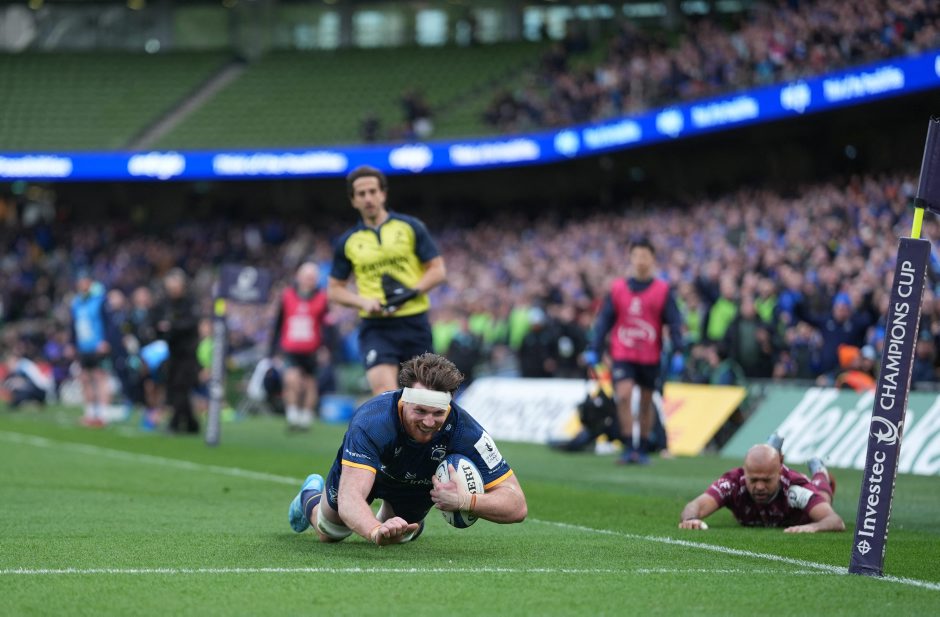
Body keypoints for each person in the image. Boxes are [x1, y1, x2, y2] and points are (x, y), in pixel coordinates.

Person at [287, 352, 527, 546]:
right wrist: (374, 530)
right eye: (420, 411)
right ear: (405, 399)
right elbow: (350, 497)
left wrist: (466, 500)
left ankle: (406, 521)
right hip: (371, 473)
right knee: (330, 532)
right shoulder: (372, 421)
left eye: (438, 413)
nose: (429, 422)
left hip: (414, 486)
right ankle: (309, 496)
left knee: (399, 535)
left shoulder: (467, 432)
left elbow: (517, 505)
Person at [328, 165, 447, 395]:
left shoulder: (410, 227)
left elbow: (438, 270)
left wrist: (410, 292)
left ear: (383, 194)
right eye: (361, 194)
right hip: (376, 327)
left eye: (373, 191)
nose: (368, 198)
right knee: (385, 393)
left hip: (414, 323)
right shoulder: (348, 241)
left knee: (423, 397)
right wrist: (362, 302)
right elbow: (334, 290)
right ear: (353, 200)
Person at [584, 238, 683, 465]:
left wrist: (678, 350)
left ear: (652, 259)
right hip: (623, 353)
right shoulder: (618, 288)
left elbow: (674, 322)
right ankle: (629, 446)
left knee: (646, 402)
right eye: (636, 255)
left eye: (644, 256)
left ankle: (643, 447)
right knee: (623, 395)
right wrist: (595, 348)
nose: (640, 260)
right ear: (630, 258)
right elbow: (604, 320)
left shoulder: (663, 290)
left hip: (650, 355)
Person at [678, 443, 844, 533]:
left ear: (779, 472)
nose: (759, 486)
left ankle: (819, 471)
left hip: (802, 509)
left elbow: (835, 521)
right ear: (745, 471)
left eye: (766, 480)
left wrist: (812, 527)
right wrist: (690, 519)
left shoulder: (795, 487)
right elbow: (695, 505)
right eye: (753, 479)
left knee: (823, 498)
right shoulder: (733, 482)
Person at [268, 262, 329, 430]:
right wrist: (273, 349)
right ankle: (293, 415)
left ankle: (306, 417)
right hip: (291, 348)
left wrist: (327, 348)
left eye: (313, 278)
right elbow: (279, 323)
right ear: (299, 277)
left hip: (312, 349)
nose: (310, 281)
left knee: (310, 383)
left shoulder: (322, 298)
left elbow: (327, 326)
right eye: (307, 277)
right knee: (291, 380)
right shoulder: (287, 296)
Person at [155, 268, 201, 434]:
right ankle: (191, 424)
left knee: (181, 387)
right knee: (175, 388)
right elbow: (155, 320)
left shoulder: (190, 302)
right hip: (172, 352)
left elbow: (191, 323)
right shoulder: (165, 303)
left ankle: (175, 423)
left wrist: (171, 326)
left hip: (188, 353)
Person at [69, 271, 111, 427]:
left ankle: (103, 414)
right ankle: (90, 413)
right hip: (83, 346)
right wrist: (71, 344)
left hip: (97, 346)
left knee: (100, 378)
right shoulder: (76, 303)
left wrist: (105, 341)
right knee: (85, 379)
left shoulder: (100, 301)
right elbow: (73, 325)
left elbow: (108, 323)